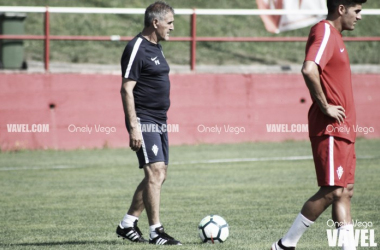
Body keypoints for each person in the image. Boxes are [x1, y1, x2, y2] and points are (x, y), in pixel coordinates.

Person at [271, 0, 366, 249]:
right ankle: (284, 245)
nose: (360, 17)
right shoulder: (324, 30)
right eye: (357, 11)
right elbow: (309, 69)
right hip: (331, 129)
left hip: (344, 130)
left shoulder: (336, 37)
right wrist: (325, 106)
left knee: (345, 191)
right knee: (333, 190)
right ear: (341, 8)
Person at [116, 1, 181, 245]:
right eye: (170, 22)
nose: (173, 28)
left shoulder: (158, 48)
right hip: (144, 120)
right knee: (155, 173)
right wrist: (134, 127)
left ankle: (128, 223)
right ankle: (157, 232)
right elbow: (126, 89)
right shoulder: (136, 48)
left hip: (160, 120)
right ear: (156, 22)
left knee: (159, 174)